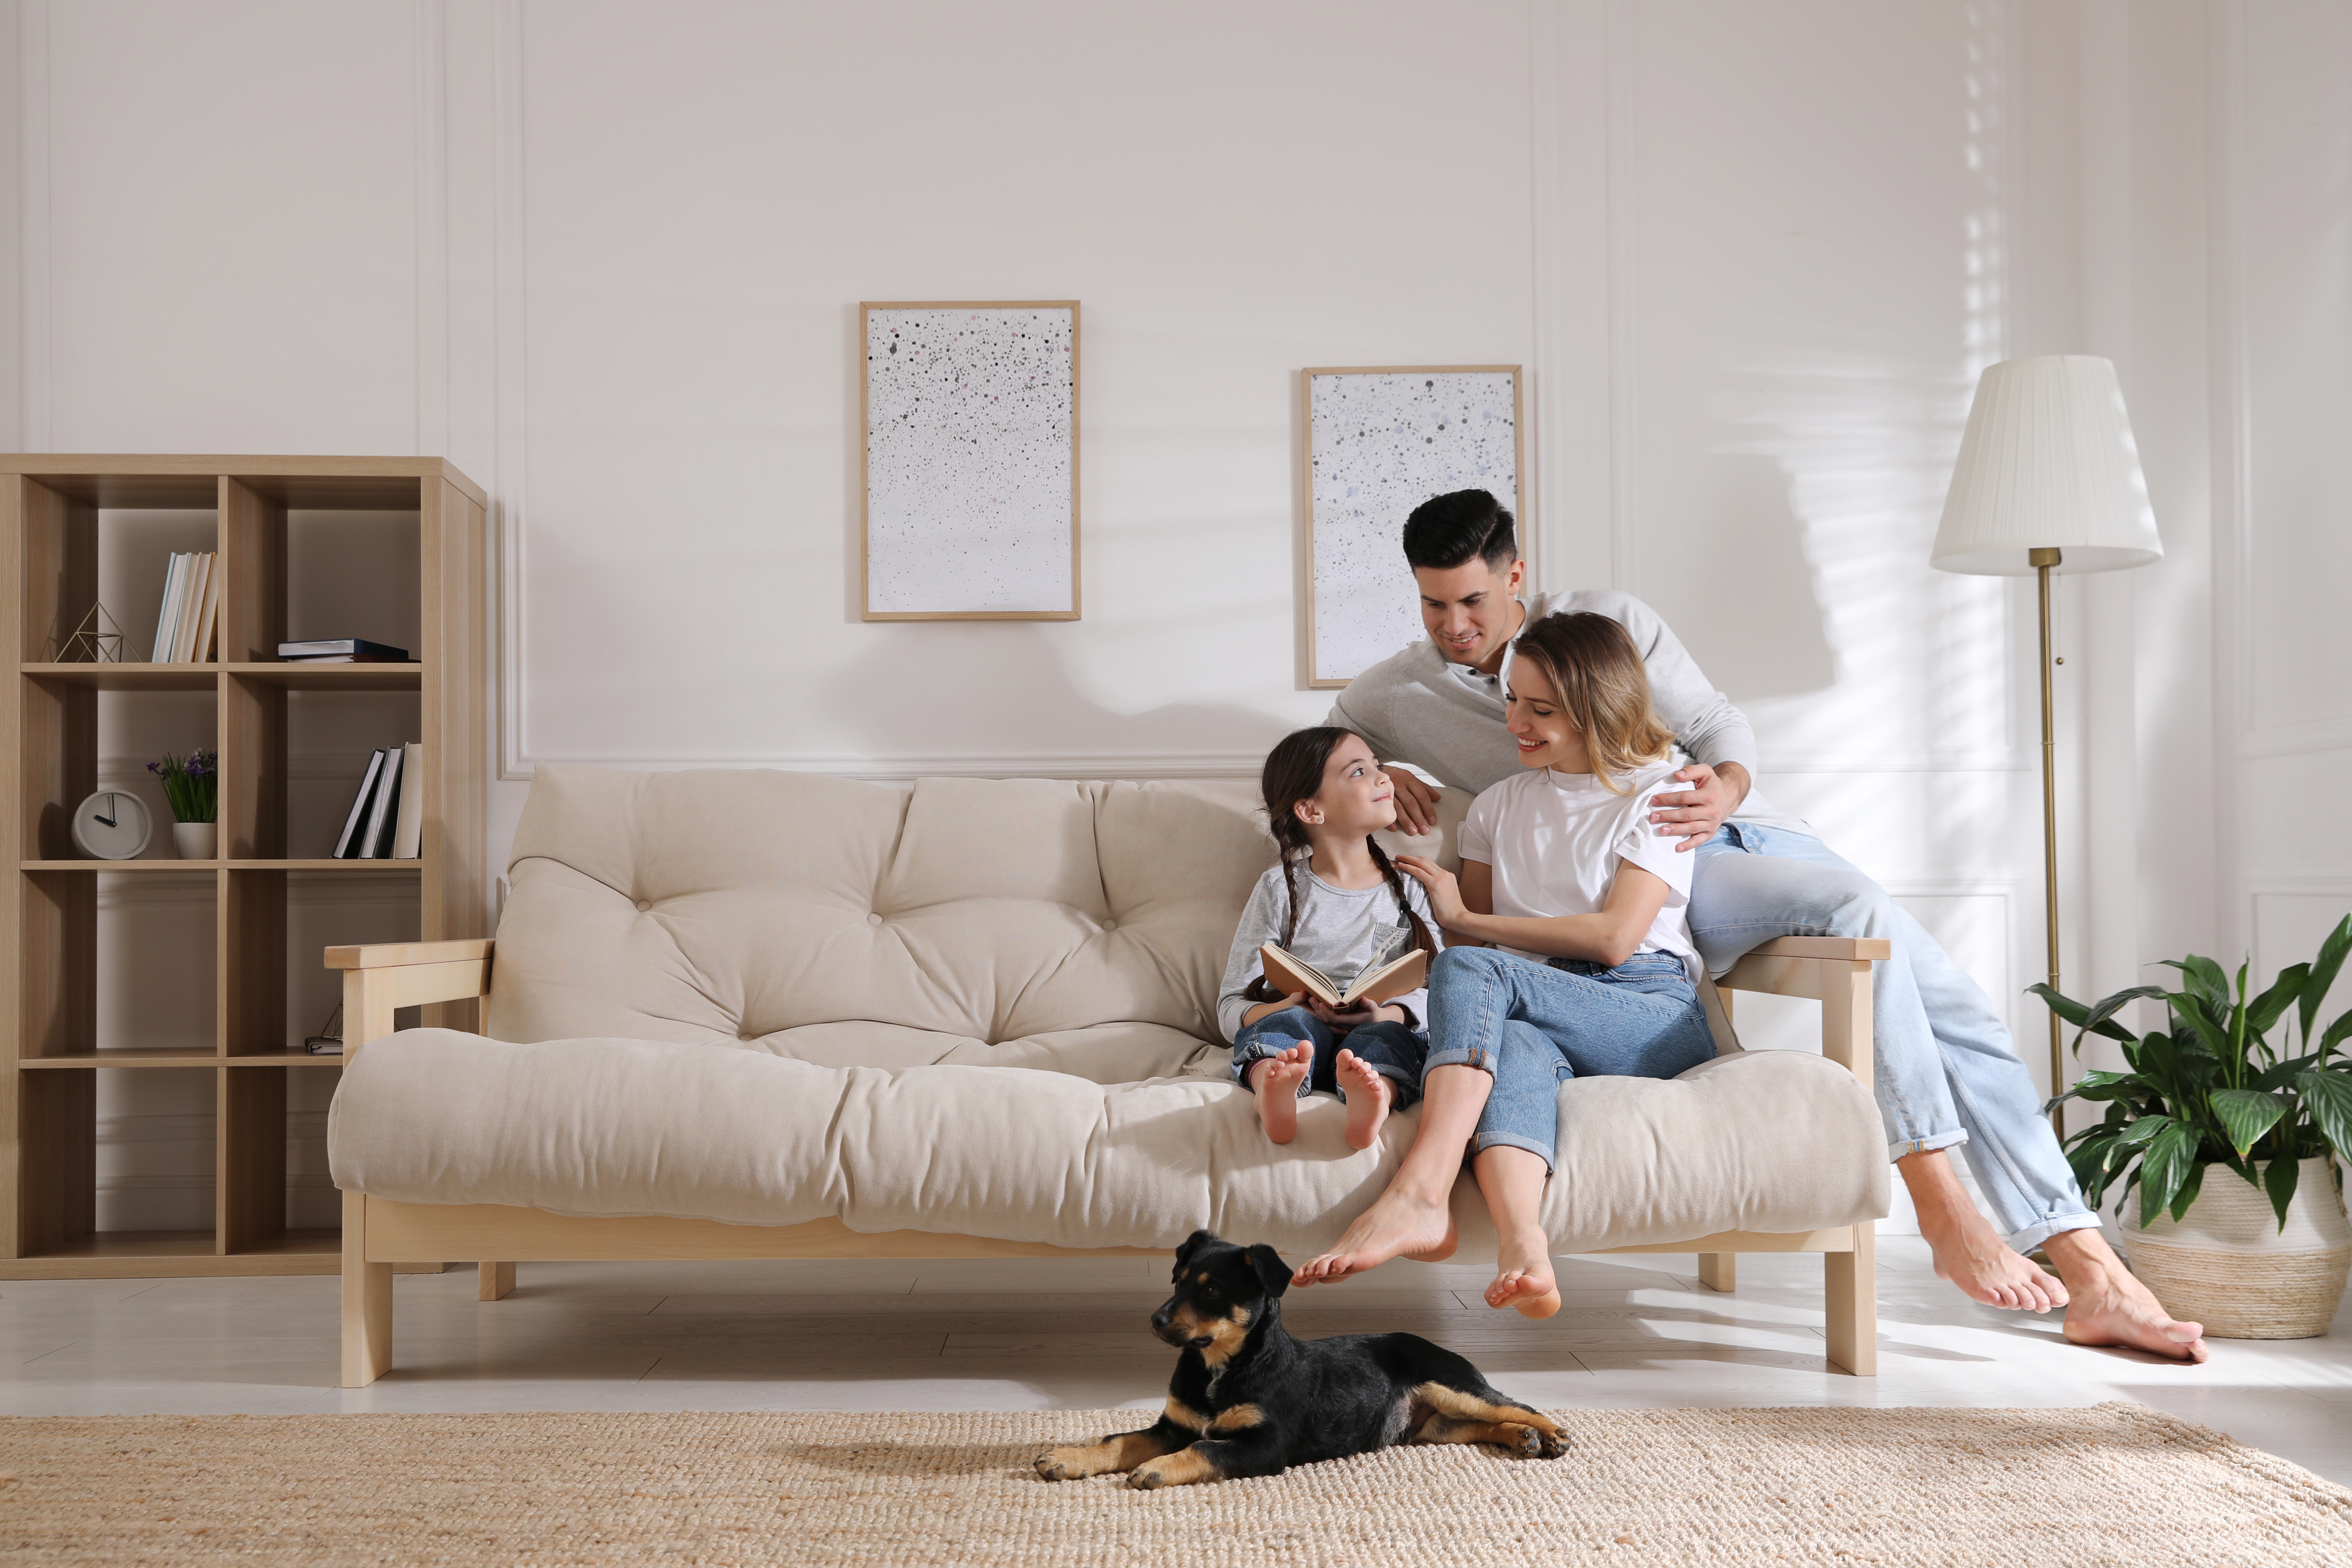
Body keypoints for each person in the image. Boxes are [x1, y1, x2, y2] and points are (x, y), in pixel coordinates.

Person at [1298, 488, 2206, 1364]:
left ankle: (2051, 1251)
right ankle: (1994, 1230)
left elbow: (1717, 726)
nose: (1455, 624)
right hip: (1618, 891)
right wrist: (1381, 764)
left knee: (1944, 997)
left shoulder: (1606, 624)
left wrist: (1718, 792)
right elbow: (1325, 742)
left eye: (1473, 599)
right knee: (1880, 942)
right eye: (1433, 604)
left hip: (1717, 842)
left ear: (1516, 574)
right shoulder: (1405, 693)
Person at [1386, 611, 1720, 1319]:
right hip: (1541, 1004)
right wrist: (1458, 930)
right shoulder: (1498, 808)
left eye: (1542, 709)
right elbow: (1479, 957)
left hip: (1647, 1011)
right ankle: (1525, 1246)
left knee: (1475, 971)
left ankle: (1421, 1188)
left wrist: (1465, 919)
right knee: (1519, 1043)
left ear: (1601, 708)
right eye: (1512, 699)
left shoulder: (1663, 795)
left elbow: (1613, 938)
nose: (1516, 723)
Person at [1217, 727, 1441, 1151]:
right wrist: (1286, 1005)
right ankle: (1273, 1086)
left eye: (1378, 765)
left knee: (1388, 1043)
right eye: (1360, 771)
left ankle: (1375, 1099)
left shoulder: (1409, 887)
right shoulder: (1278, 888)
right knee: (1286, 1026)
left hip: (1378, 1027)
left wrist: (1387, 1016)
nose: (1383, 778)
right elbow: (1230, 1006)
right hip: (1301, 1031)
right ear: (1311, 810)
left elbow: (1445, 995)